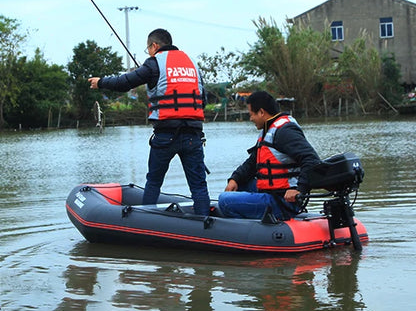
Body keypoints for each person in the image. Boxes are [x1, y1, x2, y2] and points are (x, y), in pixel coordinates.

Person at [89, 28, 210, 215]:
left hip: (165, 135)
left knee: (153, 182)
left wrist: (101, 82)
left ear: (154, 46)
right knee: (199, 186)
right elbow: (203, 100)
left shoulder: (154, 64)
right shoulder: (193, 64)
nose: (149, 52)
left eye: (148, 49)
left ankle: (146, 223)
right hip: (193, 136)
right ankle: (206, 226)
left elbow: (124, 82)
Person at [218, 90, 321, 219]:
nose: (250, 119)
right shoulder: (268, 130)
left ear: (261, 112)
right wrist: (235, 179)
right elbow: (252, 162)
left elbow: (312, 159)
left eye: (251, 114)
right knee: (240, 185)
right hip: (273, 192)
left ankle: (257, 231)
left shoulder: (284, 131)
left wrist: (300, 189)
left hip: (283, 201)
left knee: (224, 200)